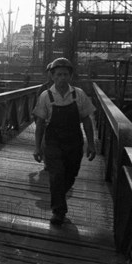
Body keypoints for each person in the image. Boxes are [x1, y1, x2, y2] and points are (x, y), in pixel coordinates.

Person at [32, 57, 96, 225]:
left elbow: (87, 120)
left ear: (71, 76)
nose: (62, 78)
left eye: (65, 74)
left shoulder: (79, 95)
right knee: (56, 175)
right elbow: (39, 124)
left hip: (74, 143)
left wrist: (91, 143)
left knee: (70, 175)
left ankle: (59, 195)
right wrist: (37, 147)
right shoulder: (46, 96)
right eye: (58, 74)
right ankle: (58, 211)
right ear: (52, 76)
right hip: (53, 142)